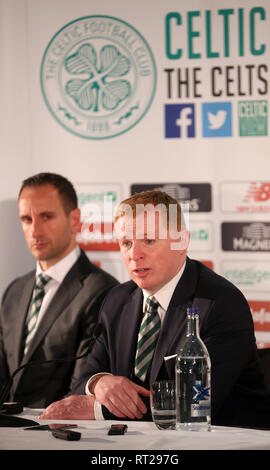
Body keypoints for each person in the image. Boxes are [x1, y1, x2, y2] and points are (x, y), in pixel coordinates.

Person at [39, 190, 270, 428]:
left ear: (181, 242)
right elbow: (84, 380)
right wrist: (99, 383)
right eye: (126, 243)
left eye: (148, 241)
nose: (134, 255)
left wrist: (98, 409)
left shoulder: (219, 304)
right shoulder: (117, 299)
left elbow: (194, 404)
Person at [0, 172, 118, 408]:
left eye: (46, 216)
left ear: (75, 220)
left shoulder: (103, 291)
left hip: (61, 436)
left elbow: (82, 387)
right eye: (26, 219)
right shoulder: (14, 290)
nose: (35, 230)